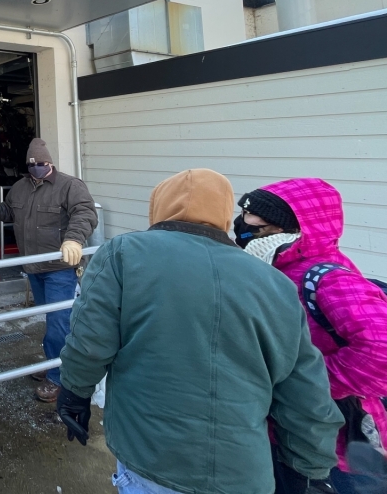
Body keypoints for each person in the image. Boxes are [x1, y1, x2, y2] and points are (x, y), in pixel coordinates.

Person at [57, 169, 343, 494]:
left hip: (152, 458)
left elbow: (90, 341)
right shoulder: (274, 282)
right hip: (245, 472)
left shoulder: (124, 254)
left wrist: (73, 392)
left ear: (159, 206)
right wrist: (312, 470)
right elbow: (304, 387)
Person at [236, 179, 387, 494]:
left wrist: (310, 382)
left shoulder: (329, 279)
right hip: (289, 431)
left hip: (341, 443)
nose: (245, 230)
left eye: (260, 226)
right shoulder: (272, 270)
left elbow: (381, 353)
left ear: (298, 228)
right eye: (244, 218)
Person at [0, 138, 97, 403]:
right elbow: (11, 213)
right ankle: (54, 362)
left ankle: (60, 377)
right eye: (32, 165)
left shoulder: (69, 186)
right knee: (51, 320)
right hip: (33, 267)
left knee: (58, 323)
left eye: (41, 164)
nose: (36, 168)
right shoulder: (20, 188)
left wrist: (74, 239)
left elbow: (85, 213)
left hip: (59, 269)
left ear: (49, 162)